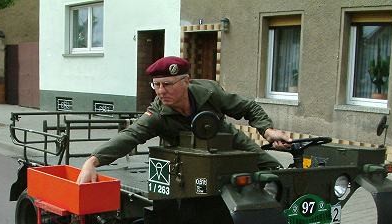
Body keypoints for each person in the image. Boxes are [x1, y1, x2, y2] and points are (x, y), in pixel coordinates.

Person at [77, 56, 292, 184]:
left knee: (273, 169)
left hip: (224, 138)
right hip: (183, 156)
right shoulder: (158, 115)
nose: (161, 91)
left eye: (167, 84)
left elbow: (247, 107)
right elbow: (130, 135)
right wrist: (92, 162)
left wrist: (268, 131)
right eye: (156, 85)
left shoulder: (209, 93)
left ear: (186, 82)